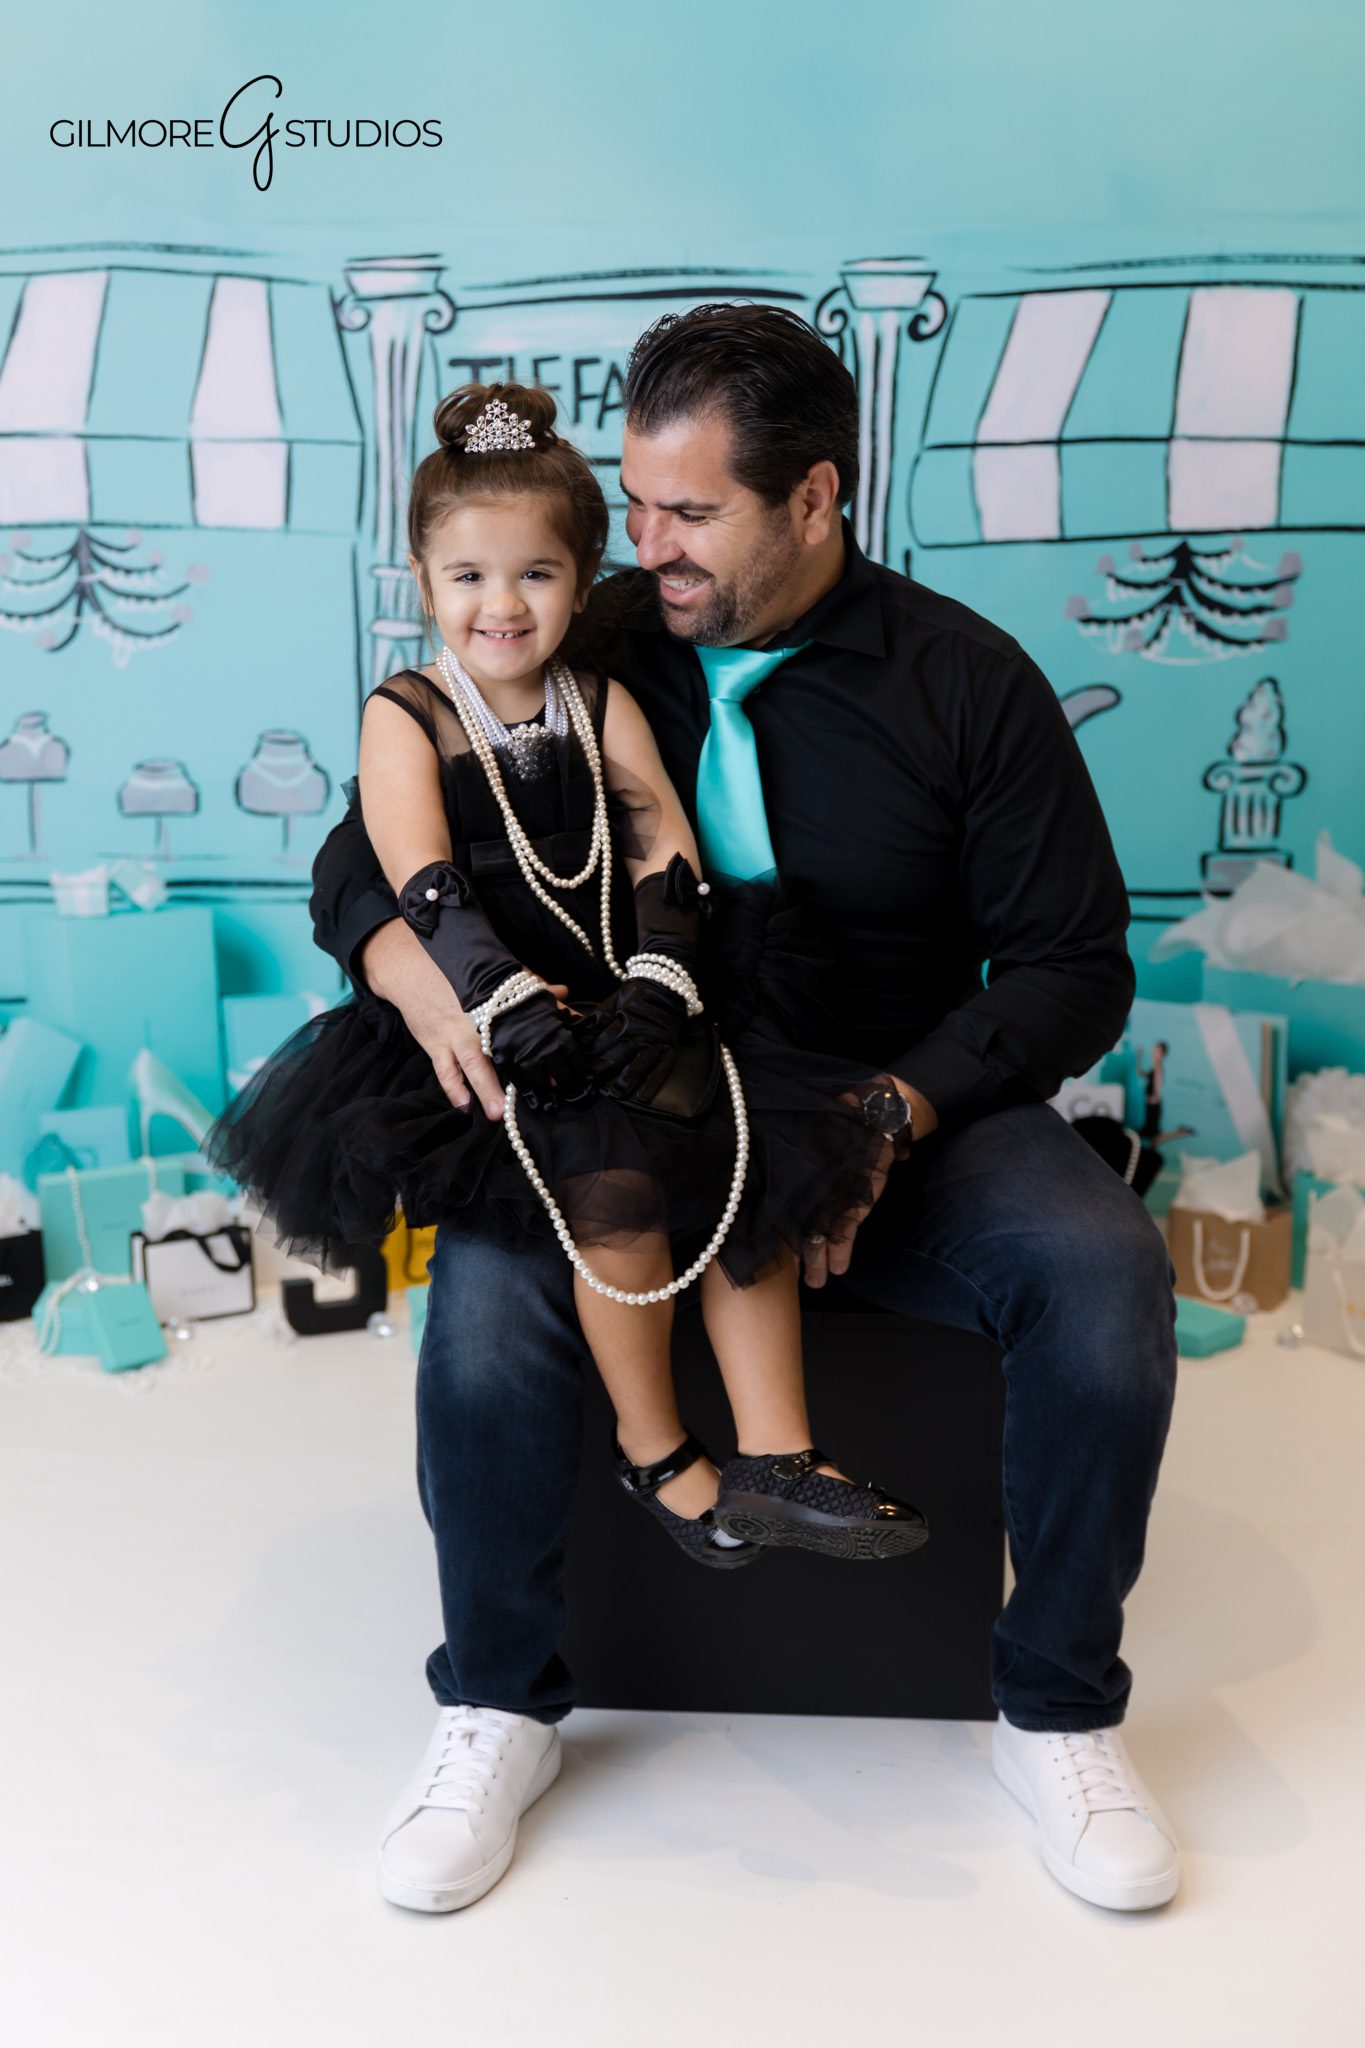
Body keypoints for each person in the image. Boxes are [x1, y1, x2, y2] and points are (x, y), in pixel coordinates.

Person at [310, 305, 1182, 1918]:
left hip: (891, 1090)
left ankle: (1054, 1707)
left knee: (1100, 1271)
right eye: (635, 506)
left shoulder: (966, 682)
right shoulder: (588, 629)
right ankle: (497, 1699)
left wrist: (893, 1113)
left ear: (816, 497)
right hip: (618, 1099)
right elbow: (374, 826)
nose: (644, 547)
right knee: (488, 1310)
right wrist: (407, 966)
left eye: (690, 515)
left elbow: (1071, 968)